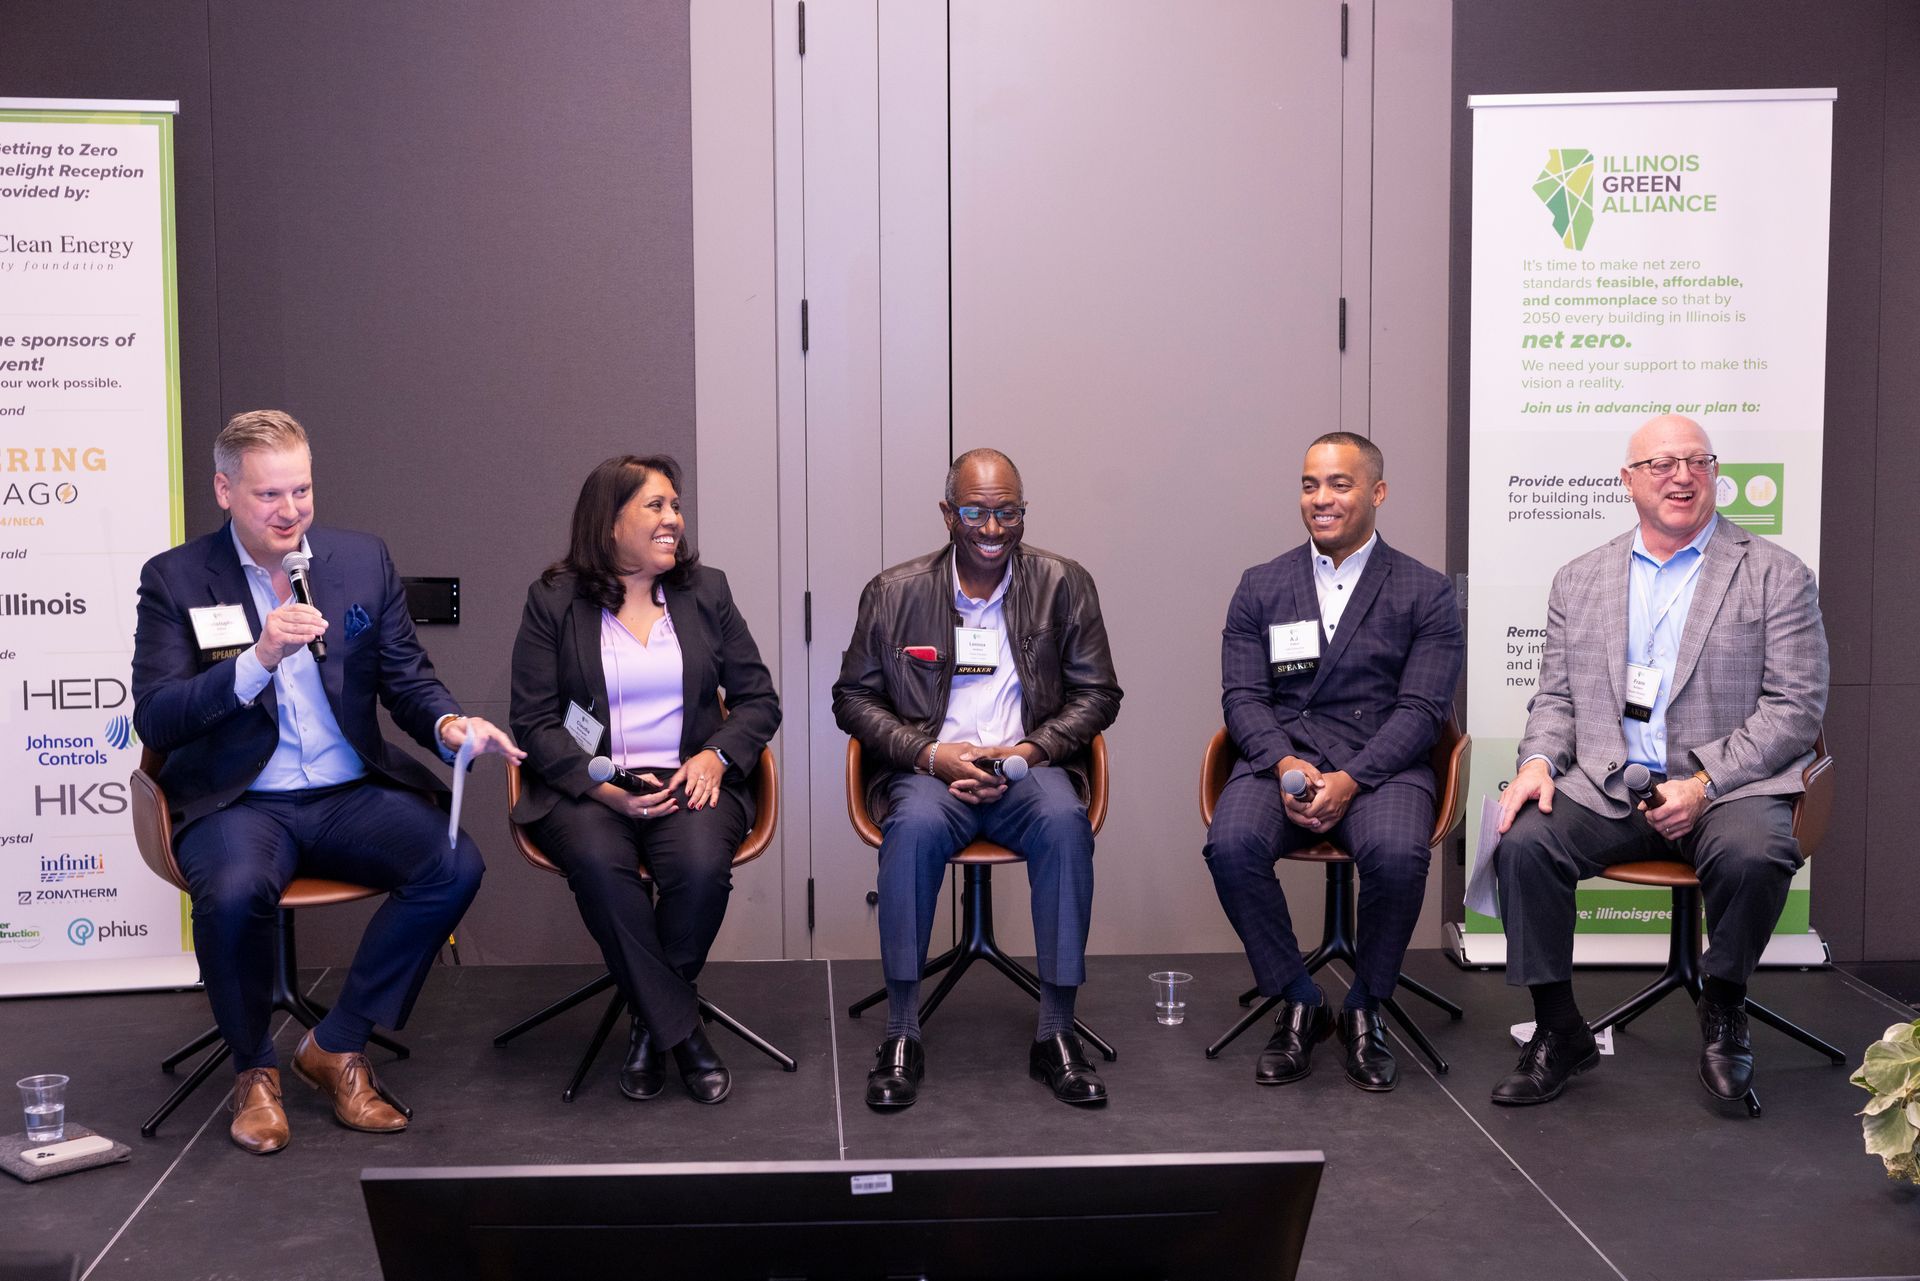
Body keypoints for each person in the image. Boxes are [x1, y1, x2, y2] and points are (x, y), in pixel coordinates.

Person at [131, 410, 524, 1155]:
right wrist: (257, 658)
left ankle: (337, 1043)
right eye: (269, 495)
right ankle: (253, 1070)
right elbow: (157, 717)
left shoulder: (359, 560)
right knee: (237, 888)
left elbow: (408, 679)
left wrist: (448, 726)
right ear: (224, 489)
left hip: (347, 791)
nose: (290, 512)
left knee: (452, 864)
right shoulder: (176, 578)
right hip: (239, 799)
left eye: (302, 491)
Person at [1488, 414, 1828, 1106]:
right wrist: (1538, 763)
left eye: (1696, 461)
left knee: (1756, 853)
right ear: (1627, 481)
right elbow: (1555, 696)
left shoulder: (1776, 575)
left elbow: (1796, 708)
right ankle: (1559, 1029)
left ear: (1714, 472)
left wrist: (1703, 783)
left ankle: (1725, 1002)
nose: (1681, 475)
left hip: (1727, 786)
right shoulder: (1580, 579)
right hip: (1610, 783)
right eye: (1661, 464)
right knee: (1522, 840)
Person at [832, 448, 1122, 1110]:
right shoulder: (893, 592)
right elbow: (852, 698)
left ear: (1022, 511)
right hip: (931, 771)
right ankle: (902, 1032)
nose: (993, 529)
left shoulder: (1064, 582)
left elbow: (1099, 692)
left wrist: (1030, 749)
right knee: (910, 832)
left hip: (1028, 767)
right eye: (975, 512)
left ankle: (1056, 1033)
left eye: (1007, 512)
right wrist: (930, 754)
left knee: (1065, 825)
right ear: (947, 514)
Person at [509, 455, 780, 1105]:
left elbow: (758, 700)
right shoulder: (555, 599)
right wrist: (600, 786)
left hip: (690, 777)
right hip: (591, 783)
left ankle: (646, 1022)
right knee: (602, 867)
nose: (673, 520)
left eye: (676, 506)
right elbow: (534, 719)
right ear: (609, 522)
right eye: (655, 506)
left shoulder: (704, 590)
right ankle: (680, 1032)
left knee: (698, 867)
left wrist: (715, 757)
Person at [1202, 433, 1463, 1092]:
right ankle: (1299, 997)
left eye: (1339, 484)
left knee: (1400, 855)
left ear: (1376, 492)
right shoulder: (1260, 585)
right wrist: (1285, 762)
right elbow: (1242, 696)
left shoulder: (1426, 592)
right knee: (1230, 844)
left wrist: (1351, 779)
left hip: (1382, 765)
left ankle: (1366, 1003)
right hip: (1283, 759)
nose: (1321, 498)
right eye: (1310, 484)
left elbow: (1423, 710)